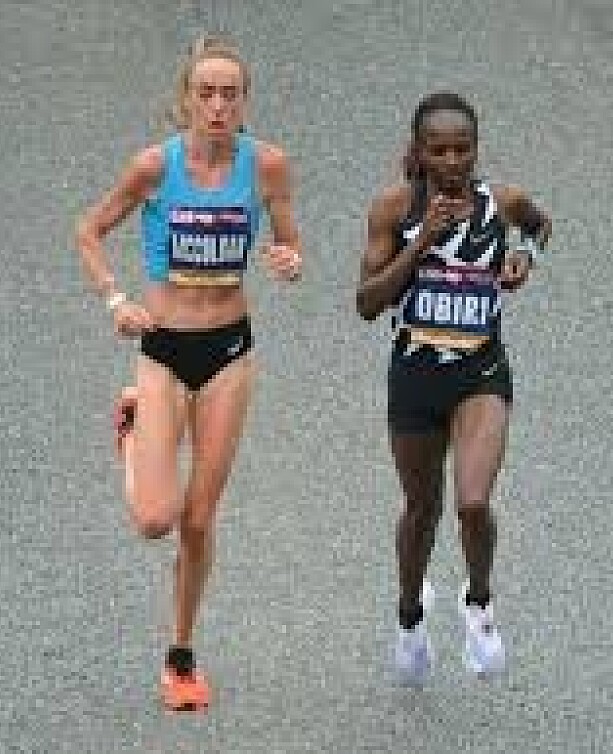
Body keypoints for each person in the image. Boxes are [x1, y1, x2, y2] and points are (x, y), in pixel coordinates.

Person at [74, 34, 302, 711]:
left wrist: (289, 259)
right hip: (164, 350)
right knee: (155, 519)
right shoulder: (153, 167)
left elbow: (289, 240)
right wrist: (115, 298)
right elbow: (88, 230)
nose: (218, 105)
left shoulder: (267, 166)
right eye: (206, 93)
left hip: (229, 350)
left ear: (245, 102)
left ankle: (180, 655)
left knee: (198, 521)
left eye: (230, 94)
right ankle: (132, 427)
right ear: (187, 100)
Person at [356, 91, 552, 684]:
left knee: (472, 503)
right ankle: (410, 616)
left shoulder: (501, 202)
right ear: (418, 152)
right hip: (415, 377)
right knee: (422, 509)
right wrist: (419, 244)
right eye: (438, 150)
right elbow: (367, 302)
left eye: (462, 149)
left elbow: (540, 225)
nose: (451, 161)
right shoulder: (394, 208)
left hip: (480, 373)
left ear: (476, 150)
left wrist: (524, 256)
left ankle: (479, 603)